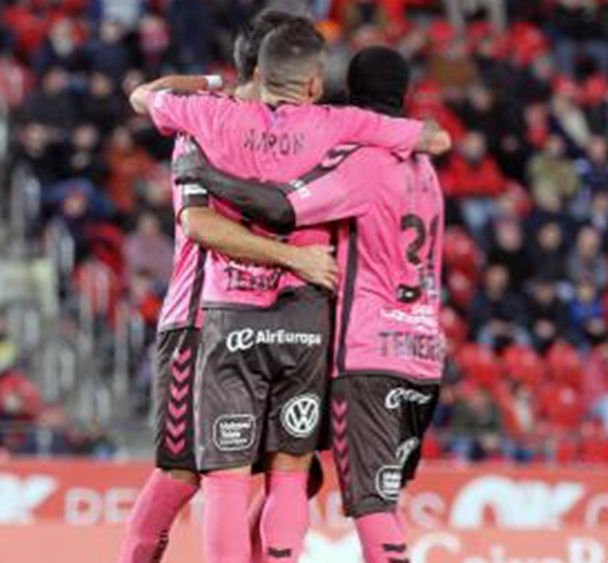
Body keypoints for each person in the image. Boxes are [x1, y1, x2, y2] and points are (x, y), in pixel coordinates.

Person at [129, 20, 449, 562]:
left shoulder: (206, 120)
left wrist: (209, 92)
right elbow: (433, 137)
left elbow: (146, 99)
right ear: (314, 83)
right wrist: (297, 256)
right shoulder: (339, 127)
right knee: (288, 471)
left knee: (221, 474)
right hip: (317, 321)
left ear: (255, 71)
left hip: (227, 315)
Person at [116, 12, 341, 563]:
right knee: (185, 469)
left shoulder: (286, 131)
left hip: (278, 318)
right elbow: (198, 223)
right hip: (199, 319)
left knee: (295, 471)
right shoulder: (206, 127)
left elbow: (147, 95)